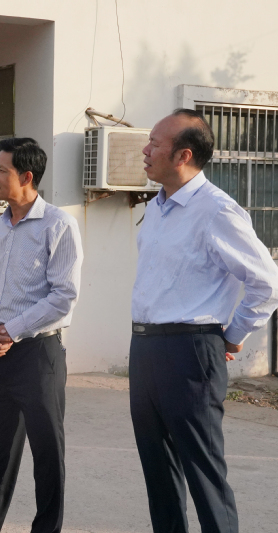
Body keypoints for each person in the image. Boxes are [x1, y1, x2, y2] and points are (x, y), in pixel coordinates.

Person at [130, 109, 278, 533]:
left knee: (203, 471)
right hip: (146, 347)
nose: (145, 150)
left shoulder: (217, 211)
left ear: (184, 155)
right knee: (158, 472)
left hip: (191, 351)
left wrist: (233, 334)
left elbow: (266, 283)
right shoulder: (156, 208)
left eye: (155, 143)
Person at [0, 138, 83, 533]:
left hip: (38, 354)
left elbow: (63, 296)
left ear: (26, 177)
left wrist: (11, 330)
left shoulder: (58, 225)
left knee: (47, 450)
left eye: (1, 170)